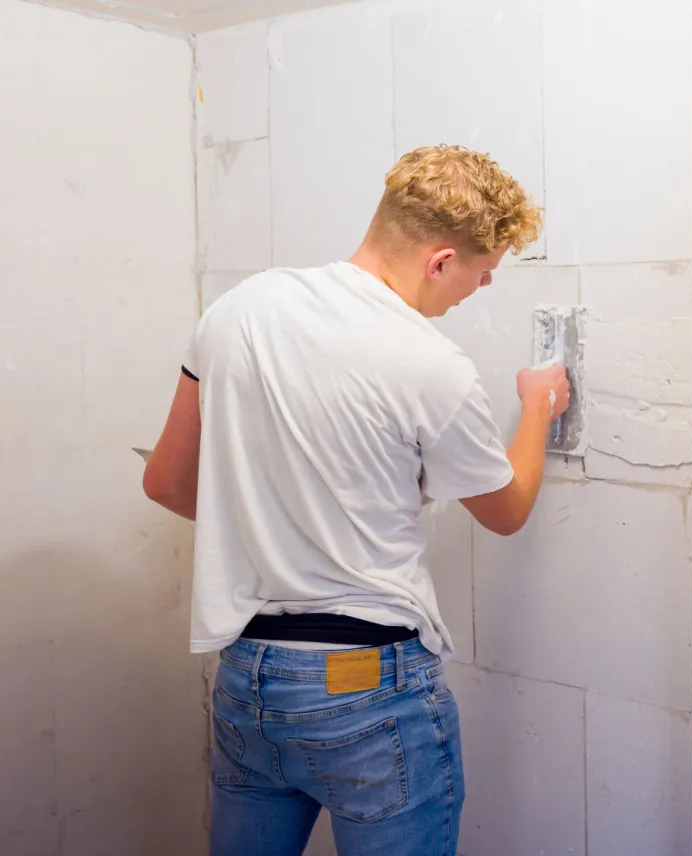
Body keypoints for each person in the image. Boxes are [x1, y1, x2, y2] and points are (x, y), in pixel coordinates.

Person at [142, 145, 567, 856]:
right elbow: (506, 509)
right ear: (439, 261)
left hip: (250, 678)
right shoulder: (430, 362)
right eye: (481, 269)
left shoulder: (237, 310)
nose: (484, 284)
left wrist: (274, 524)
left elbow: (167, 481)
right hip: (370, 689)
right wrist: (538, 407)